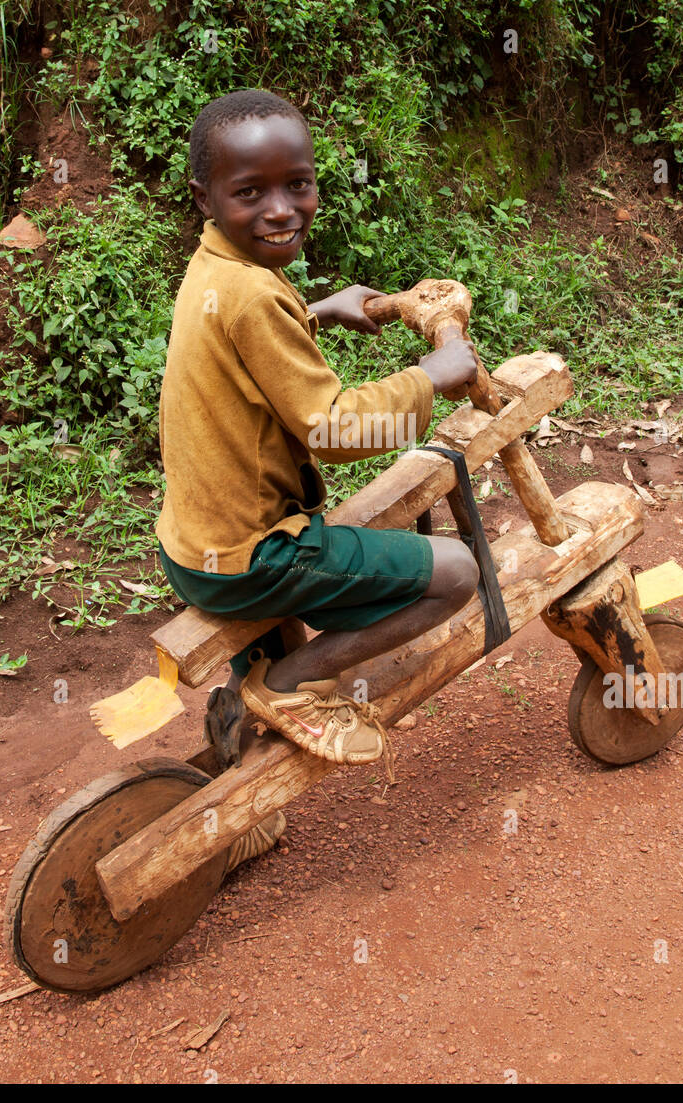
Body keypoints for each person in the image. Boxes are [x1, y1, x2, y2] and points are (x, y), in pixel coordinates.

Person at [156, 88, 479, 779]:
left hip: (194, 544)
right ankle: (284, 685)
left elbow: (250, 345)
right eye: (250, 192)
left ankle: (256, 706)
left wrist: (318, 312)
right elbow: (333, 431)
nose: (280, 208)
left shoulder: (219, 270)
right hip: (253, 559)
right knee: (455, 575)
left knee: (370, 560)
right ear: (203, 198)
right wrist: (432, 373)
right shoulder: (252, 293)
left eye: (297, 184)